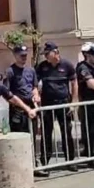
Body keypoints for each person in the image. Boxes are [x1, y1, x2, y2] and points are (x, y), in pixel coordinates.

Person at [35, 41, 78, 175]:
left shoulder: (67, 65)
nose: (46, 56)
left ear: (56, 52)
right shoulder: (42, 67)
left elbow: (74, 82)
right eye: (45, 54)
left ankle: (70, 160)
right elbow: (35, 83)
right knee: (46, 134)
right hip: (47, 104)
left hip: (63, 103)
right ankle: (45, 162)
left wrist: (74, 101)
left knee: (67, 132)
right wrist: (36, 96)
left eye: (48, 53)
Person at [6, 45, 39, 132]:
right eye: (21, 55)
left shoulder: (31, 70)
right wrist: (25, 107)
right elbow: (7, 94)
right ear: (15, 55)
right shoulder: (10, 71)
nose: (24, 57)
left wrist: (36, 95)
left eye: (25, 55)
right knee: (19, 138)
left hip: (31, 108)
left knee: (33, 135)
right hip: (17, 111)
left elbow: (34, 87)